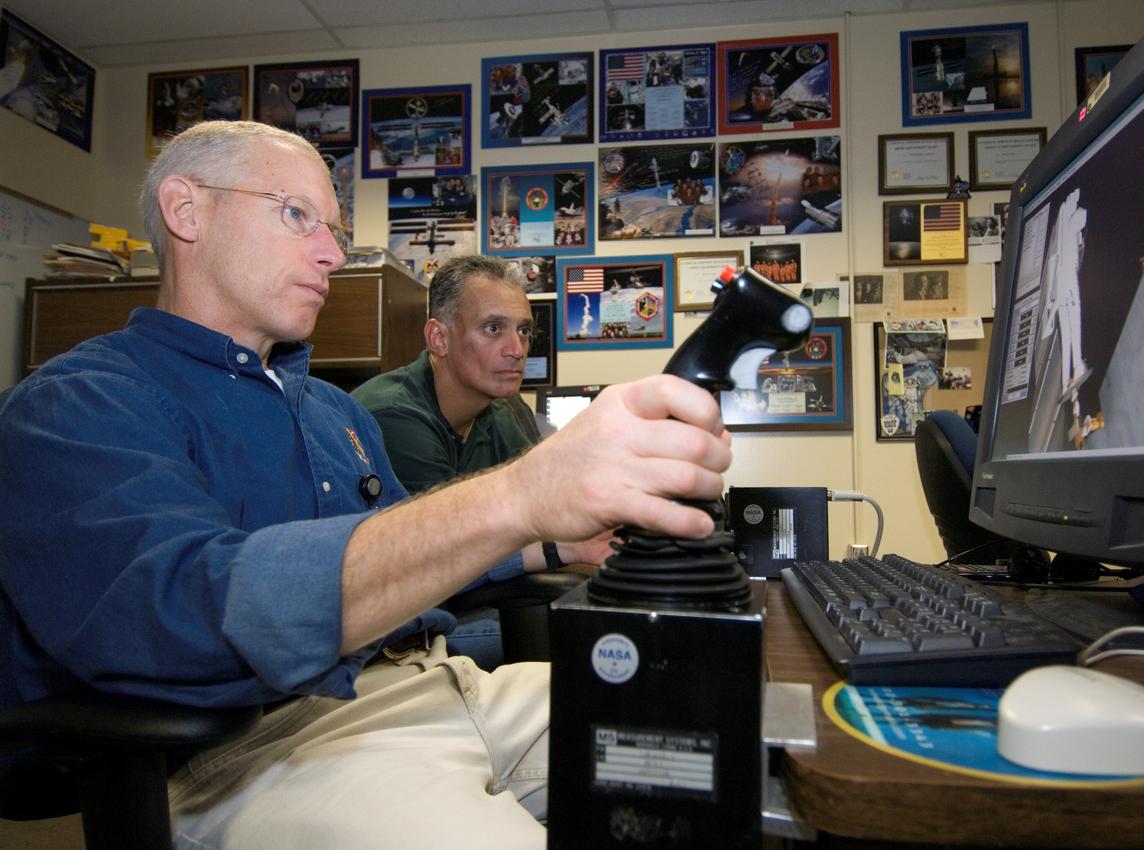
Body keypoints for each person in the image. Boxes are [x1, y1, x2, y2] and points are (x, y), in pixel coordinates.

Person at [0, 121, 731, 849]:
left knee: (720, 717)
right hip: (261, 748)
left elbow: (401, 554)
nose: (331, 252)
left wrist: (543, 539)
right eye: (297, 216)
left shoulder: (333, 411)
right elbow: (188, 614)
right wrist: (519, 495)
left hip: (442, 684)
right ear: (186, 210)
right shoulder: (79, 403)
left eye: (337, 231)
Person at [351, 254, 611, 667]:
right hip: (404, 632)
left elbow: (554, 505)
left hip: (479, 597)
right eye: (494, 329)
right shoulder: (394, 416)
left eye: (523, 330)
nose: (516, 350)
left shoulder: (500, 412)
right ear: (439, 339)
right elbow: (435, 560)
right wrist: (559, 544)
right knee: (605, 637)